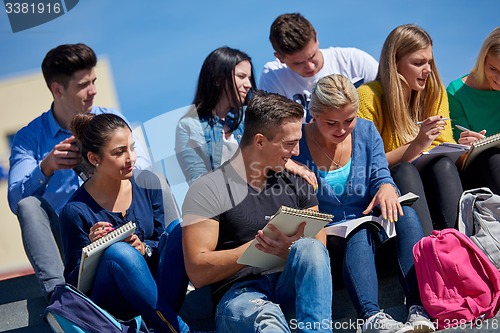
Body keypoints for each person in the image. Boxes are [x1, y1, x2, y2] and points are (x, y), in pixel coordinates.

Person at [7, 43, 150, 302]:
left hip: (117, 224)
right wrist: (46, 167)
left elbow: (143, 174)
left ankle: (168, 256)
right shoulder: (29, 138)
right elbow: (15, 200)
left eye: (94, 81)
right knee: (29, 205)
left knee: (154, 181)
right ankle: (60, 296)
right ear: (57, 89)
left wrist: (104, 163)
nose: (94, 91)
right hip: (68, 239)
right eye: (84, 85)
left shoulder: (112, 117)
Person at [294, 74, 435, 333]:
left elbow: (380, 173)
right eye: (331, 123)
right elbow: (259, 159)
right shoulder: (297, 141)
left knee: (406, 215)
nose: (341, 129)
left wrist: (386, 187)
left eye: (349, 120)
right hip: (329, 245)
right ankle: (370, 318)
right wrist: (287, 163)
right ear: (313, 114)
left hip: (370, 238)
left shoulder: (367, 131)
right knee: (358, 231)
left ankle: (418, 307)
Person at [182, 91, 332, 333]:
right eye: (289, 143)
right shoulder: (207, 189)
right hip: (241, 295)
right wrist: (258, 248)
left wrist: (289, 250)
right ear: (260, 141)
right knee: (267, 318)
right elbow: (198, 270)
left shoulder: (297, 181)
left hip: (290, 285)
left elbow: (319, 244)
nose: (296, 152)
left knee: (310, 247)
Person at [60, 113, 188, 333]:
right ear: (94, 159)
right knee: (120, 252)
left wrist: (144, 248)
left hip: (157, 291)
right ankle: (181, 330)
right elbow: (75, 285)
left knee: (180, 229)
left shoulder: (149, 183)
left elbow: (161, 241)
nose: (131, 158)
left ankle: (159, 325)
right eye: (119, 153)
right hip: (114, 305)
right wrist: (91, 251)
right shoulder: (75, 211)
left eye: (132, 147)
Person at [357, 24, 470, 233]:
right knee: (405, 170)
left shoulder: (434, 92)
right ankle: (425, 253)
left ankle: (462, 246)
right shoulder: (368, 97)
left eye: (430, 62)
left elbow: (443, 144)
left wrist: (467, 149)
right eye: (419, 63)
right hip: (391, 184)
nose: (427, 70)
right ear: (395, 63)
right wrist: (416, 145)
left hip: (433, 176)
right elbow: (367, 164)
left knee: (443, 164)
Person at [258, 12, 378, 121]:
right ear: (279, 58)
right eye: (298, 63)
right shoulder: (273, 75)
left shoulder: (354, 61)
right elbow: (273, 127)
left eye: (312, 56)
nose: (310, 66)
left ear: (316, 37)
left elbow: (392, 92)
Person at [175, 46, 255, 184]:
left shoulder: (252, 115)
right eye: (241, 77)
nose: (248, 84)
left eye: (249, 78)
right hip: (223, 202)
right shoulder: (189, 126)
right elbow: (198, 182)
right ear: (218, 78)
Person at [447, 26, 500, 194]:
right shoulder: (456, 92)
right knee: (492, 158)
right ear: (482, 59)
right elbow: (460, 159)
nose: (499, 79)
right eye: (493, 69)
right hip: (481, 169)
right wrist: (465, 145)